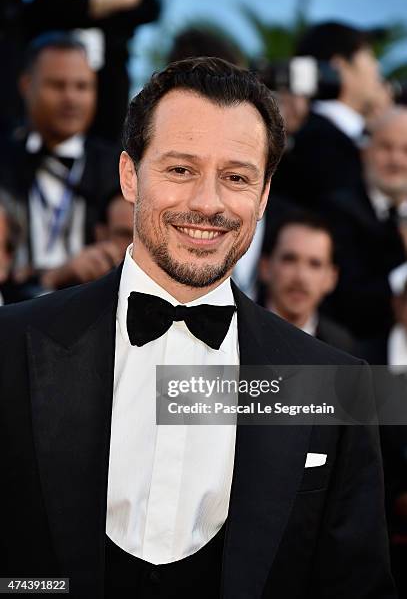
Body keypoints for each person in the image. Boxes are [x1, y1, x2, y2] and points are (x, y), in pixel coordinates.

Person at [0, 57, 395, 599]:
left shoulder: (330, 385)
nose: (207, 203)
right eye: (181, 169)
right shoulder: (12, 345)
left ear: (262, 197)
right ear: (128, 176)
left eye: (235, 177)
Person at [0, 33, 121, 281]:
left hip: (88, 307)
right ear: (26, 85)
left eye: (82, 86)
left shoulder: (117, 167)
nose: (71, 98)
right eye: (57, 85)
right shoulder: (3, 159)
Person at [22, 0, 161, 143]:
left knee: (107, 140)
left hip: (110, 75)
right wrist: (115, 1)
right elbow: (47, 8)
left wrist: (87, 5)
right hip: (57, 67)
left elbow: (147, 7)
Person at [272, 21, 383, 208]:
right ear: (339, 66)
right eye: (370, 55)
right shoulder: (320, 140)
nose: (377, 66)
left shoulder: (350, 135)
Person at [322, 106, 407, 344]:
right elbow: (347, 300)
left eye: (405, 150)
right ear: (365, 151)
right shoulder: (336, 212)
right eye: (386, 147)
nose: (396, 160)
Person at [259, 214, 354, 353]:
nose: (300, 277)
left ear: (331, 278)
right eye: (289, 260)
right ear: (265, 267)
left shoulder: (343, 347)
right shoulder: (236, 331)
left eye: (315, 264)